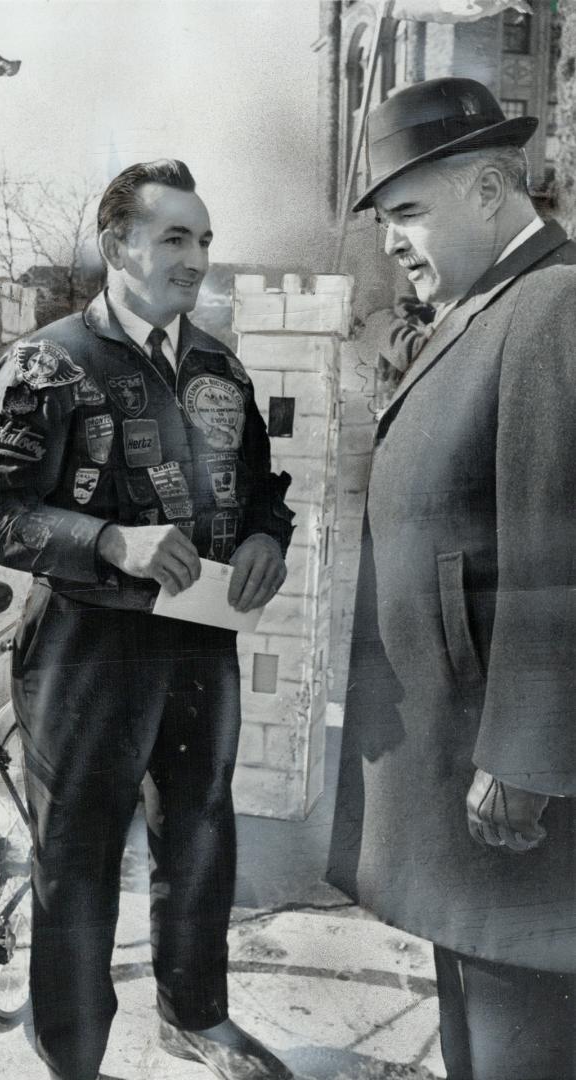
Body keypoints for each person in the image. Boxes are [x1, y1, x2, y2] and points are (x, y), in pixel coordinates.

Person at [0, 159, 295, 1080]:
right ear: (118, 246)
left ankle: (194, 1016)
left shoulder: (220, 364)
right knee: (79, 855)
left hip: (200, 635)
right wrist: (109, 541)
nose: (196, 259)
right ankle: (73, 1057)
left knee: (200, 832)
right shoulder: (48, 359)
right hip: (86, 646)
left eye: (205, 240)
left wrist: (267, 537)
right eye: (174, 238)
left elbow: (265, 493)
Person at [327, 78, 576, 1080]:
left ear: (486, 189)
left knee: (524, 1045)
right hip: (460, 769)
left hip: (510, 790)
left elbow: (555, 555)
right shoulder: (490, 305)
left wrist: (523, 760)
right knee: (475, 1032)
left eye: (408, 212)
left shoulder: (551, 307)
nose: (390, 241)